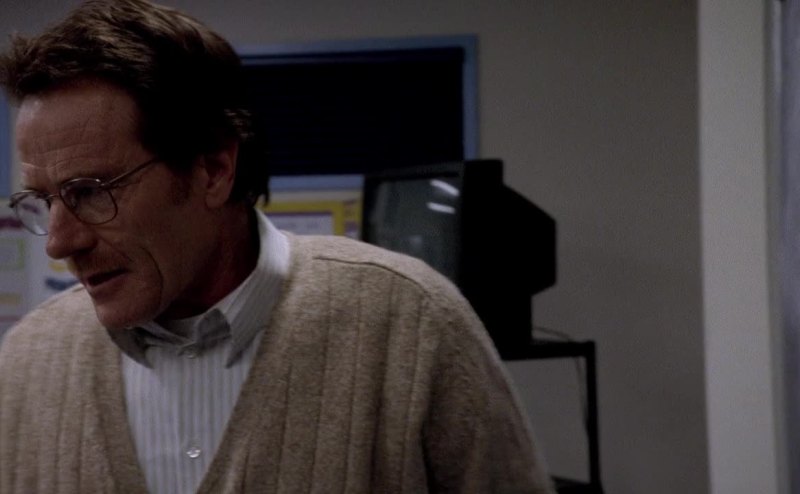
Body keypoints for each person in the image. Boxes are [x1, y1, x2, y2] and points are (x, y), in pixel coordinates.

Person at [0, 1, 555, 492]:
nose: (59, 243)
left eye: (90, 192)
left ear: (213, 169)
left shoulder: (411, 326)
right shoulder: (26, 364)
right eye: (43, 200)